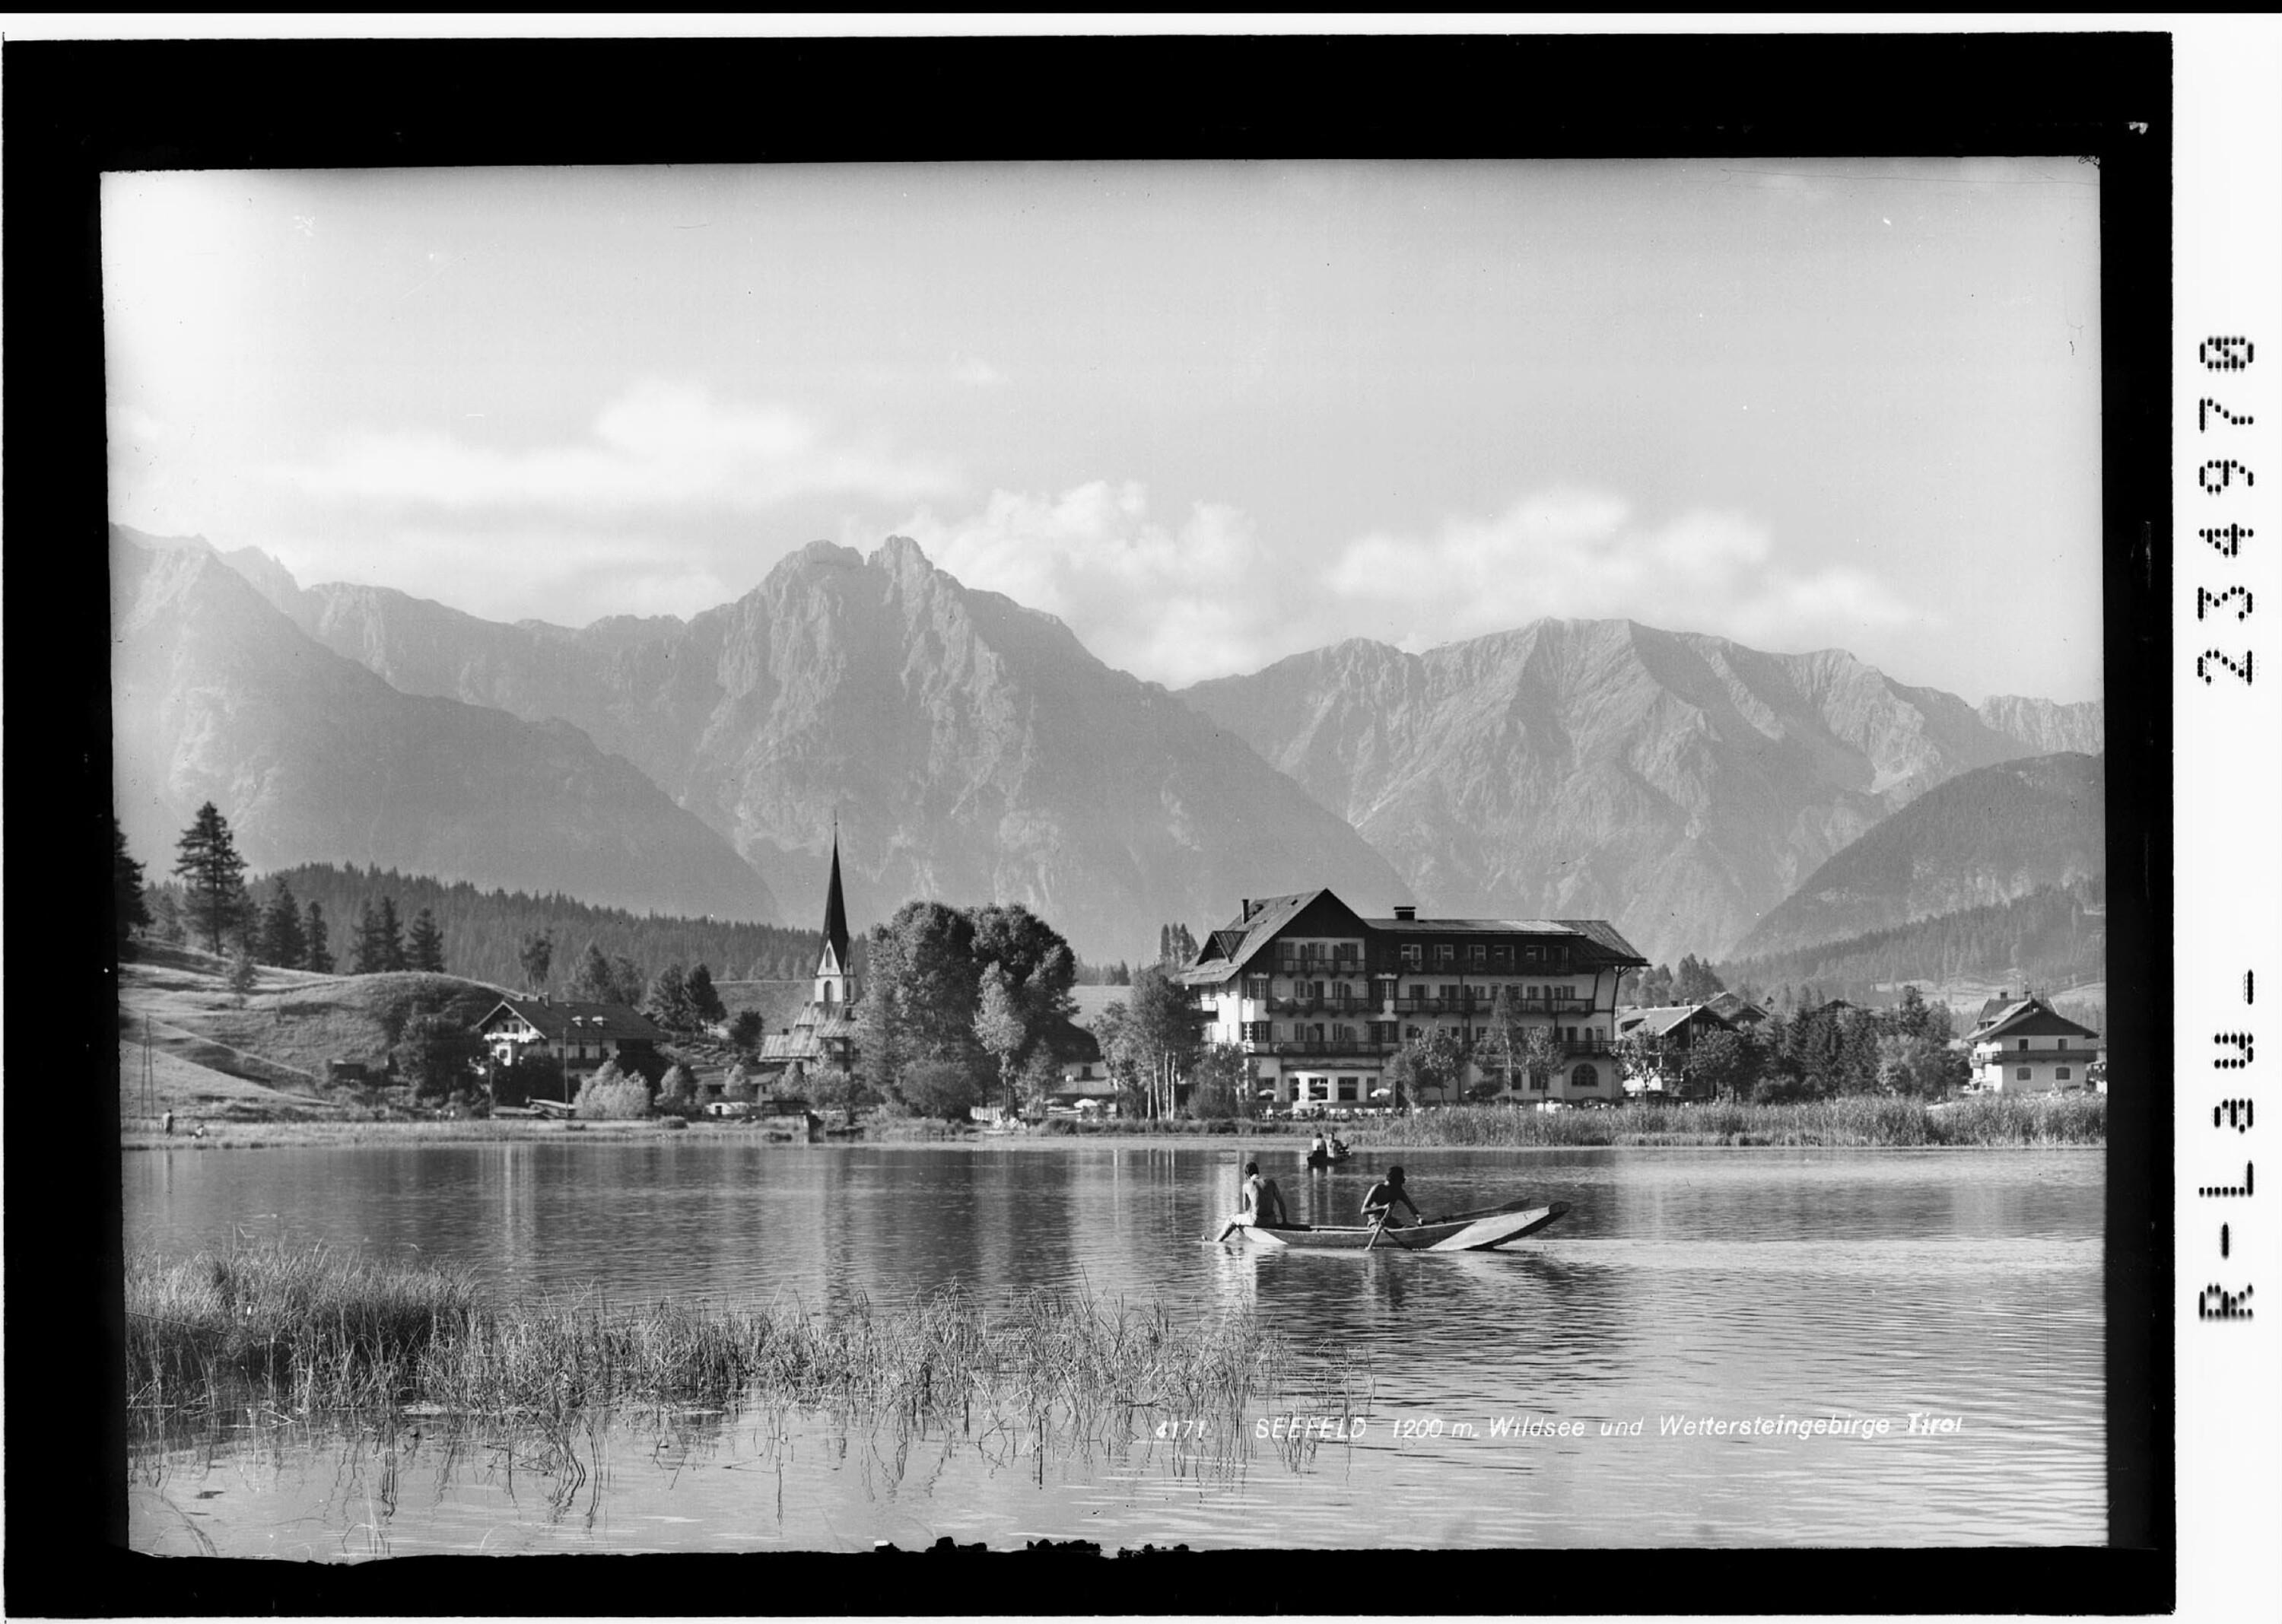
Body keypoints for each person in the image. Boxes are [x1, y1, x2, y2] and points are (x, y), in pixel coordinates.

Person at [1361, 1165, 1420, 1230]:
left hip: (1389, 1222)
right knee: (1386, 1229)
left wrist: (1419, 1219)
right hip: (1375, 1222)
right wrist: (1383, 1207)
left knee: (1406, 1228)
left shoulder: (1399, 1191)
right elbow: (1363, 1211)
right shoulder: (1378, 1188)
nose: (1403, 1181)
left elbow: (1412, 1208)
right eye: (1401, 1178)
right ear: (1393, 1179)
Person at [1239, 1160, 1290, 1227]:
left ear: (1247, 1175)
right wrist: (1284, 1221)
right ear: (1258, 1172)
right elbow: (1281, 1203)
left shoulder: (1246, 1185)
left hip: (1257, 1221)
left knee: (1231, 1218)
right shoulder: (1271, 1182)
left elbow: (1246, 1208)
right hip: (1271, 1220)